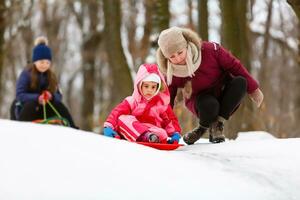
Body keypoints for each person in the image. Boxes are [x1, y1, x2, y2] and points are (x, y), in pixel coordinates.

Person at [156, 27, 264, 145]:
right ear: (166, 58)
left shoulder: (210, 50)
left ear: (186, 45)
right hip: (200, 100)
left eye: (180, 52)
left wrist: (254, 89)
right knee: (210, 104)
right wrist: (160, 124)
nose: (177, 58)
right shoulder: (171, 72)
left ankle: (217, 125)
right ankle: (202, 129)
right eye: (172, 57)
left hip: (223, 91)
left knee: (241, 82)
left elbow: (234, 65)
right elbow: (167, 98)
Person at [103, 63, 181, 144]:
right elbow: (117, 112)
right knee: (122, 118)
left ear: (158, 88)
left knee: (162, 133)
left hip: (152, 132)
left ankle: (151, 138)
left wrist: (175, 134)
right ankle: (145, 136)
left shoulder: (161, 104)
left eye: (153, 87)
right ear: (140, 85)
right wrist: (108, 126)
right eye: (146, 86)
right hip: (132, 129)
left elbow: (170, 120)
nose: (149, 90)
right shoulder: (132, 101)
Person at [10, 36, 77, 128]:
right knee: (31, 105)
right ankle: (23, 128)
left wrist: (51, 96)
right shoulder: (26, 74)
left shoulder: (51, 76)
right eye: (42, 62)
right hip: (25, 109)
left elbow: (59, 95)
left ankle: (73, 128)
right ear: (35, 61)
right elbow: (19, 95)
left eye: (47, 63)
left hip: (44, 109)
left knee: (58, 105)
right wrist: (38, 98)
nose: (44, 65)